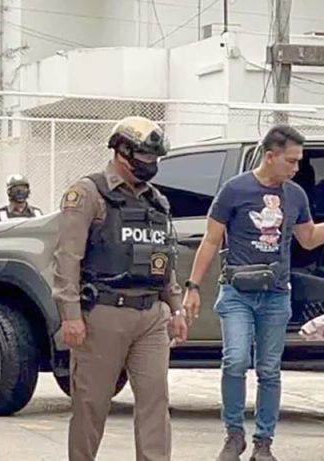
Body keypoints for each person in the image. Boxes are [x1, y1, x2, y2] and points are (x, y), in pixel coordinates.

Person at [182, 125, 324, 461]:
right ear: (270, 156)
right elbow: (210, 239)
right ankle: (233, 434)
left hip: (276, 293)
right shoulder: (235, 189)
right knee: (235, 360)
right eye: (291, 160)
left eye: (298, 161)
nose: (296, 167)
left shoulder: (295, 195)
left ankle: (263, 442)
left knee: (269, 369)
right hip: (236, 291)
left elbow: (309, 238)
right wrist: (193, 286)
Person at [52, 116, 188, 461]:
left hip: (151, 317)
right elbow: (67, 258)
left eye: (155, 158)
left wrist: (176, 308)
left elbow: (163, 258)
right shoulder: (88, 193)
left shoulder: (157, 201)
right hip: (104, 313)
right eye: (144, 156)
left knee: (155, 403)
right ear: (121, 150)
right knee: (91, 404)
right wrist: (70, 316)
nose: (150, 164)